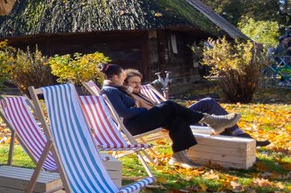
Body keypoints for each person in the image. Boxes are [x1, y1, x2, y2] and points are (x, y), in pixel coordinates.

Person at [100, 63, 240, 169]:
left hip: (135, 123)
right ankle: (210, 120)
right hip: (130, 127)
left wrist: (139, 107)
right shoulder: (110, 91)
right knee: (169, 105)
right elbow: (123, 114)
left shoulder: (116, 89)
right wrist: (141, 109)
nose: (124, 79)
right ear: (115, 77)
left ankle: (180, 155)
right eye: (123, 77)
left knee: (176, 118)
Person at [121, 68, 269, 148]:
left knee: (208, 102)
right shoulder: (128, 97)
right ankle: (239, 137)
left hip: (173, 114)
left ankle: (239, 135)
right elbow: (144, 115)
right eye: (134, 82)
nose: (138, 85)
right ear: (125, 83)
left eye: (139, 82)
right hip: (169, 121)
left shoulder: (141, 93)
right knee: (207, 107)